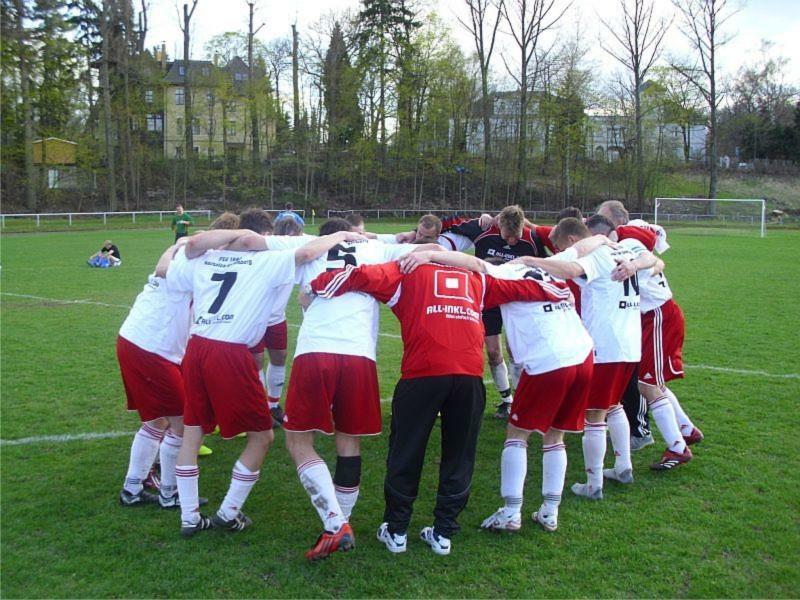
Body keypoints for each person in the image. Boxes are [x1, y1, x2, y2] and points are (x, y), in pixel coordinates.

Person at [307, 253, 571, 556]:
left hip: (423, 374)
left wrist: (316, 284)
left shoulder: (405, 269)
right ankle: (444, 533)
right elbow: (528, 288)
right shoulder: (478, 276)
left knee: (406, 451)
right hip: (469, 377)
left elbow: (357, 275)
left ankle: (397, 531)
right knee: (460, 456)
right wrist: (553, 287)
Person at [166, 222, 366, 538]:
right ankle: (228, 512)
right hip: (231, 353)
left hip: (197, 347)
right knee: (262, 437)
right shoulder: (265, 261)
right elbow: (308, 252)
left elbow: (179, 260)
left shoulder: (203, 258)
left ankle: (189, 517)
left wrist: (201, 242)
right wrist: (341, 235)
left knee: (193, 431)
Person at [275, 218, 432, 560]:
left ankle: (335, 523)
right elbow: (433, 249)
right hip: (360, 354)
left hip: (316, 349)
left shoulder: (311, 247)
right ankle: (340, 521)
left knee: (298, 440)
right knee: (349, 440)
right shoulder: (378, 248)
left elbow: (288, 253)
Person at [517, 217, 656, 500]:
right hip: (629, 343)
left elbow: (570, 269)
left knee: (594, 414)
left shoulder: (598, 253)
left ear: (574, 240)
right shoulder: (624, 251)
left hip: (606, 346)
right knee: (613, 406)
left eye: (559, 246)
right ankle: (623, 466)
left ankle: (594, 484)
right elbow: (653, 261)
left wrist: (534, 261)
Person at [443, 205, 549, 419]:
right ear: (498, 225)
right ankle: (506, 401)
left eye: (515, 237)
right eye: (507, 237)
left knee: (517, 351)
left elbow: (548, 262)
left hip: (517, 301)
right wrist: (482, 218)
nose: (511, 241)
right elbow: (447, 223)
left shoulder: (532, 238)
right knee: (492, 352)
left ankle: (522, 402)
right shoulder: (483, 229)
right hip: (489, 299)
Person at [612, 246, 702, 470]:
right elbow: (657, 261)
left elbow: (655, 260)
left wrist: (640, 266)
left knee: (647, 384)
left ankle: (678, 448)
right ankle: (686, 429)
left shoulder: (620, 251)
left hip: (657, 316)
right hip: (650, 318)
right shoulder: (626, 245)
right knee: (650, 382)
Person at [595, 200, 662, 451]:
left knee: (638, 381)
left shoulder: (629, 239)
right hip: (625, 319)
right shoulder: (615, 244)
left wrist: (640, 267)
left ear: (618, 221)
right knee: (624, 385)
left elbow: (656, 262)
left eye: (604, 217)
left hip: (637, 317)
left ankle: (642, 429)